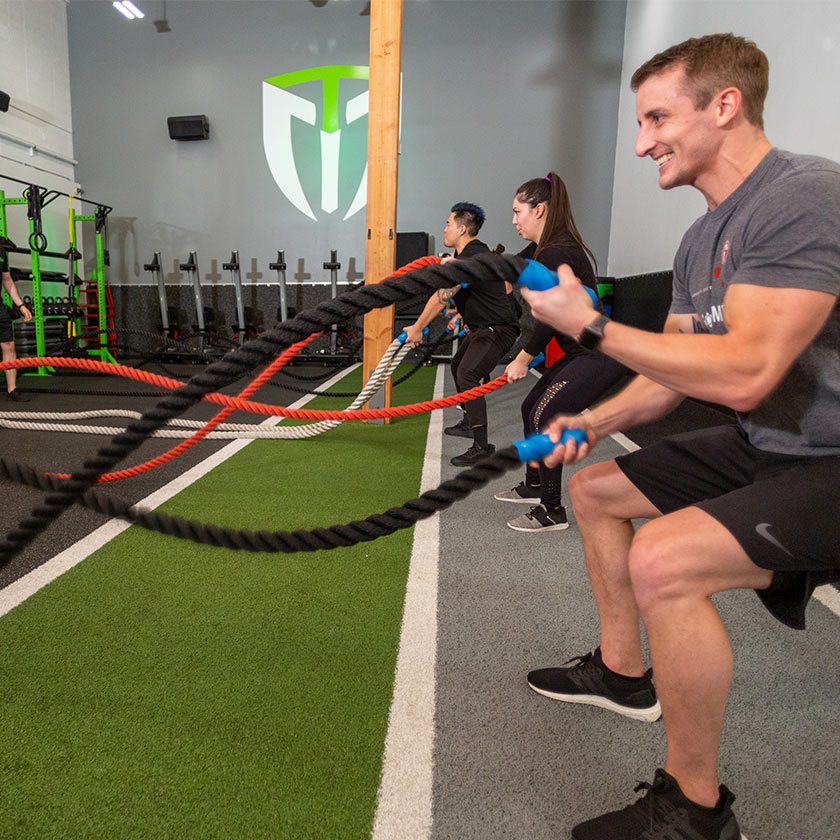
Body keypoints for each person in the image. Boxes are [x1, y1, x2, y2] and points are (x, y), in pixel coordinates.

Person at [519, 33, 840, 839]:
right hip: (769, 444)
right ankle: (625, 674)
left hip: (831, 455)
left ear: (724, 106)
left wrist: (591, 326)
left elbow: (745, 372)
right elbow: (672, 375)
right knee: (595, 489)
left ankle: (696, 813)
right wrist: (590, 421)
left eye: (658, 117)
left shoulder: (803, 195)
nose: (641, 141)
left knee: (664, 561)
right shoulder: (701, 238)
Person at [494, 172, 628, 532]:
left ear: (538, 210)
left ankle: (552, 510)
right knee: (530, 407)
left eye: (517, 211)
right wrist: (454, 269)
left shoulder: (557, 252)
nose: (513, 220)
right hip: (578, 354)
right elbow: (507, 267)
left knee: (547, 414)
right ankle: (534, 484)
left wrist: (523, 358)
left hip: (598, 355)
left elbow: (551, 318)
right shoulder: (544, 249)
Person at [405, 202, 520, 466]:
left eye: (448, 224)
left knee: (468, 373)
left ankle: (481, 446)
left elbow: (439, 297)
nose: (444, 229)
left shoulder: (469, 259)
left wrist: (417, 327)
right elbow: (495, 290)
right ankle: (470, 421)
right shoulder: (474, 254)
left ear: (462, 228)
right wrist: (465, 313)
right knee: (459, 365)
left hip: (496, 331)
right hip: (483, 328)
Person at [1, 264, 33, 401]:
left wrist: (21, 305)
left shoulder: (1, 252)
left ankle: (12, 389)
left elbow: (7, 280)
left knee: (9, 345)